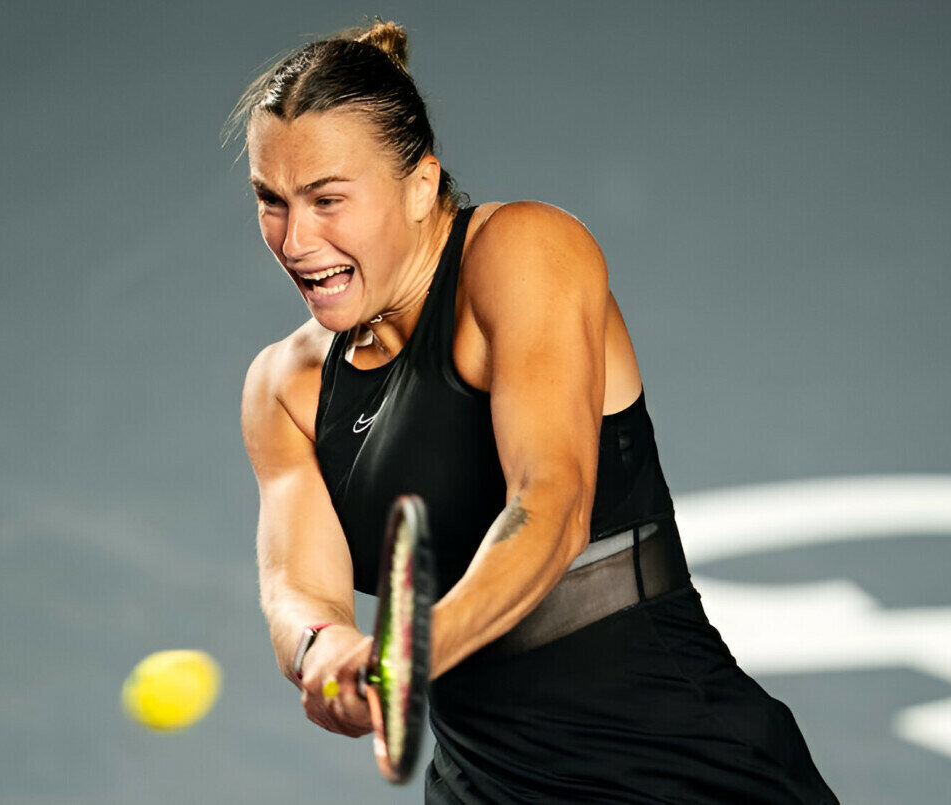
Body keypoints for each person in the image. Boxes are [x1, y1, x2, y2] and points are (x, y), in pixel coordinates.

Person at [233, 20, 837, 804]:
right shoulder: (285, 385)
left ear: (421, 187)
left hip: (680, 766)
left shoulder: (522, 253)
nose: (296, 238)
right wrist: (327, 655)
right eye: (271, 200)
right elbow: (299, 590)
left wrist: (409, 651)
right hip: (485, 785)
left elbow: (551, 505)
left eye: (327, 200)